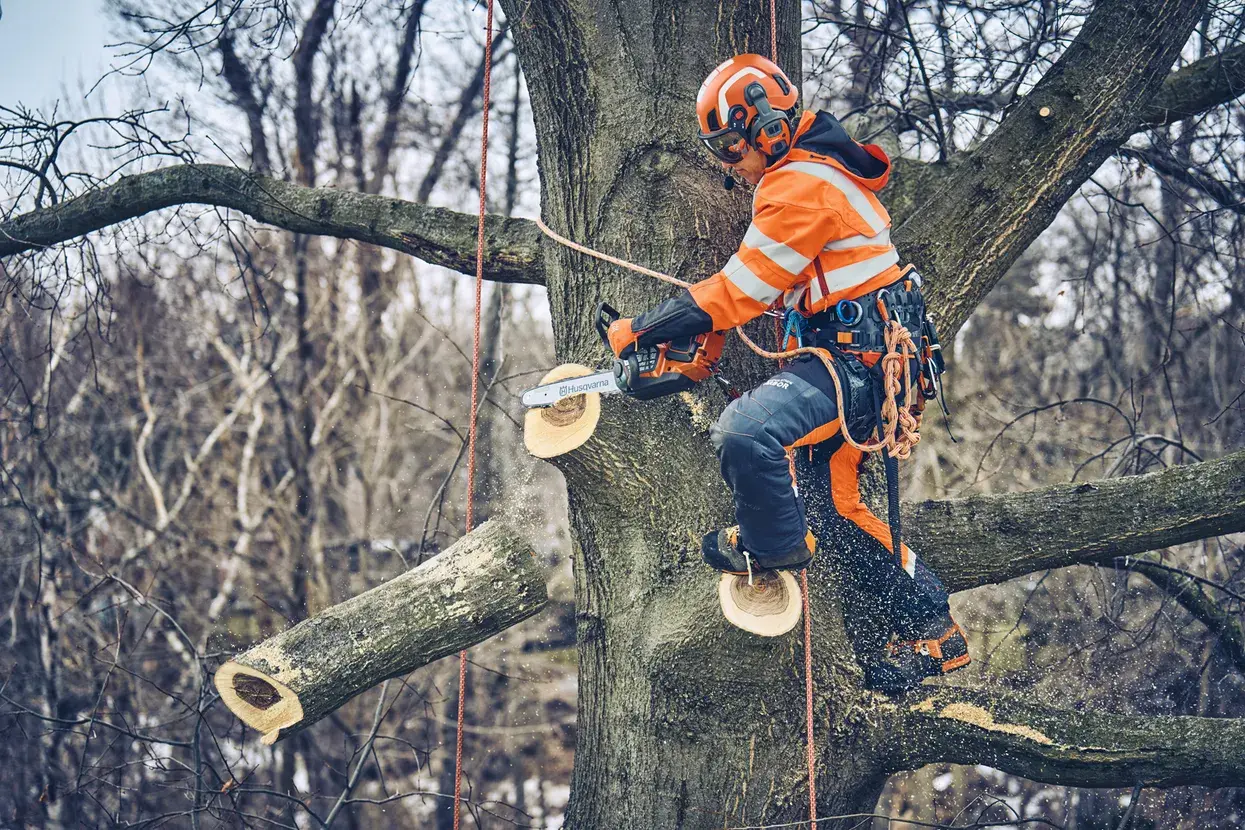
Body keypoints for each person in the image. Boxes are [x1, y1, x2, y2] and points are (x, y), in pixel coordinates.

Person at [605, 54, 969, 693]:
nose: (726, 164)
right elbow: (764, 284)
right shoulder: (810, 178)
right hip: (851, 353)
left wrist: (644, 329)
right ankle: (923, 637)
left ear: (764, 125)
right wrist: (700, 350)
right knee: (839, 510)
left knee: (747, 431)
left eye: (727, 145)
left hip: (859, 357)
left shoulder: (799, 183)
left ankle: (771, 546)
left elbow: (742, 288)